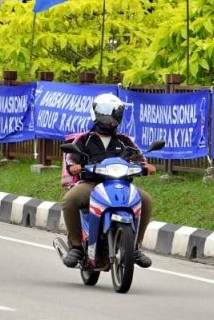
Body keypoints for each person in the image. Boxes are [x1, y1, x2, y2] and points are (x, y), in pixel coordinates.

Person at [61, 93, 156, 268]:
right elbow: (71, 160)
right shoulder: (84, 139)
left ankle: (134, 246)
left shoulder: (125, 141)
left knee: (145, 200)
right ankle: (76, 246)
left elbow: (140, 159)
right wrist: (75, 166)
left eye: (113, 115)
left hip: (121, 185)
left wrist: (146, 167)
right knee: (71, 199)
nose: (109, 120)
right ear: (95, 114)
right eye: (104, 114)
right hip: (91, 184)